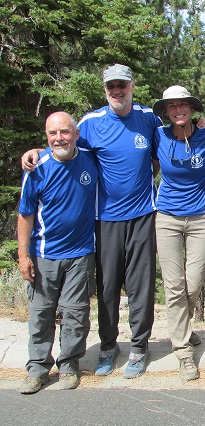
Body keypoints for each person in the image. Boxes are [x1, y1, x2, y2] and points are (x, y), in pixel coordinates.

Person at [22, 64, 163, 378]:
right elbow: (64, 148)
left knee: (141, 288)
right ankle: (109, 347)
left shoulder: (148, 119)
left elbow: (156, 158)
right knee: (108, 287)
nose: (117, 91)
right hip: (105, 220)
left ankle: (139, 347)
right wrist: (34, 151)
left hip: (142, 216)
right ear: (105, 89)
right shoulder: (91, 123)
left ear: (132, 86)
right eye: (111, 86)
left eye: (122, 85)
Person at [17, 112, 98, 394]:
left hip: (81, 253)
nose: (58, 138)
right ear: (46, 136)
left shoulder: (91, 160)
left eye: (64, 132)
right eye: (52, 134)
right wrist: (23, 255)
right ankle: (37, 369)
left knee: (76, 313)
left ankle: (68, 365)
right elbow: (25, 214)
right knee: (41, 314)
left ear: (76, 134)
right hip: (44, 255)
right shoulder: (37, 169)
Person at [152, 86, 205, 381]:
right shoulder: (159, 135)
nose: (178, 110)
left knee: (193, 284)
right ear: (166, 112)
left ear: (192, 109)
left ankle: (184, 327)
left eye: (183, 105)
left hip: (200, 217)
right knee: (173, 285)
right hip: (167, 216)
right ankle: (183, 352)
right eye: (172, 107)